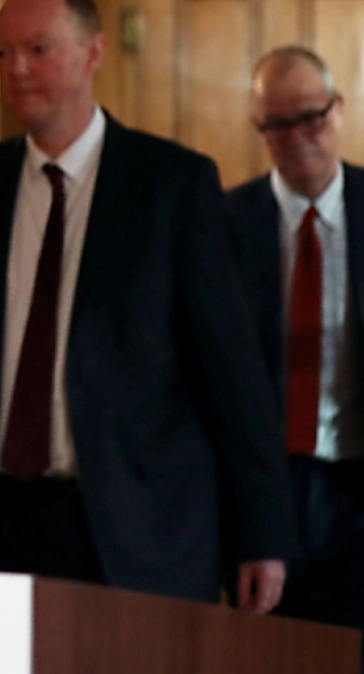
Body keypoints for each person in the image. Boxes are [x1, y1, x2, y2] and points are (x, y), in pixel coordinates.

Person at [0, 0, 297, 611]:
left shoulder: (171, 184)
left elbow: (233, 374)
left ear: (94, 52)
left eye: (38, 49)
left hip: (147, 528)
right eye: (2, 53)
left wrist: (261, 536)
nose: (17, 69)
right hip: (5, 521)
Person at [225, 46, 364, 659]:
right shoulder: (224, 222)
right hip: (265, 490)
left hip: (355, 484)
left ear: (338, 108)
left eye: (310, 117)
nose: (297, 137)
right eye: (277, 125)